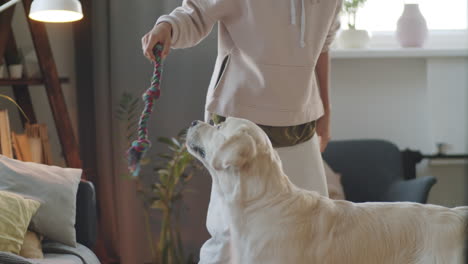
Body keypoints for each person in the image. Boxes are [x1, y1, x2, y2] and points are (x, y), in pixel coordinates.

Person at [142, 0, 343, 262]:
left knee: (312, 230)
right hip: (239, 117)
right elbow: (195, 14)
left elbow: (323, 47)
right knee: (230, 237)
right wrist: (168, 26)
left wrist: (325, 113)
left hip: (300, 120)